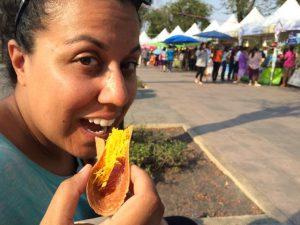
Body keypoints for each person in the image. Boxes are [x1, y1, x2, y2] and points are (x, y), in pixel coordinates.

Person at [0, 0, 164, 225]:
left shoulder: (70, 139)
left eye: (128, 64)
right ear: (20, 63)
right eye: (86, 60)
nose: (120, 96)